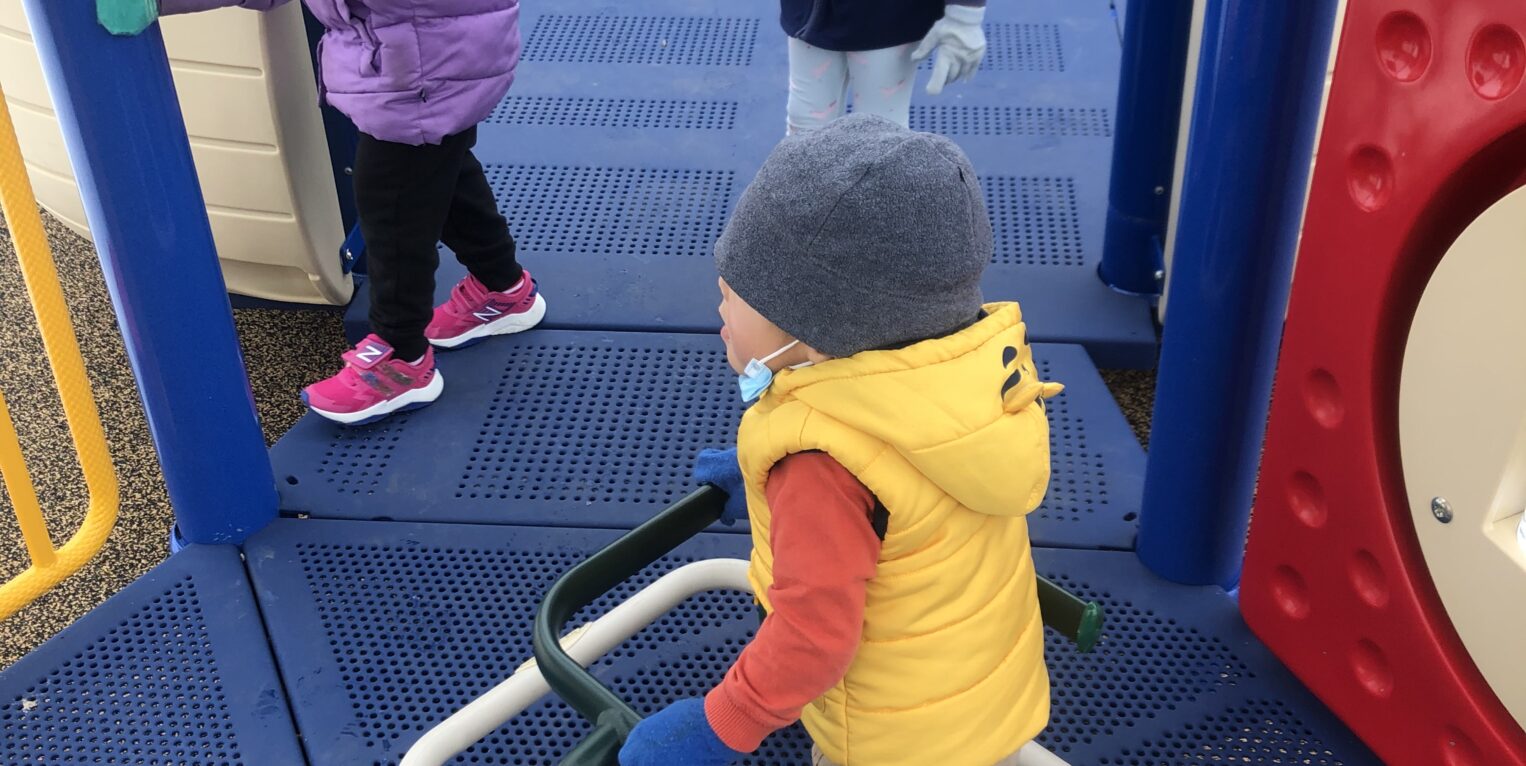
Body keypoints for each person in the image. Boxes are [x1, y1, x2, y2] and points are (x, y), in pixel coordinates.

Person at [619, 114, 1062, 766]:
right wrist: (759, 486)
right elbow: (907, 510)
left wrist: (721, 725)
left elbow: (813, 637)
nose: (719, 309)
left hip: (891, 742)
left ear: (815, 336)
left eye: (735, 296)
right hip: (978, 695)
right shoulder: (965, 380)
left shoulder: (822, 467)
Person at [99, 0, 545, 426]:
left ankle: (401, 357)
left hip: (421, 66)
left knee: (394, 212)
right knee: (439, 173)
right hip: (433, 52)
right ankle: (502, 286)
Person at [783, 0, 989, 134]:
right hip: (809, 13)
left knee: (881, 131)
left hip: (890, 18)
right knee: (805, 123)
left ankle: (883, 197)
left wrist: (965, 15)